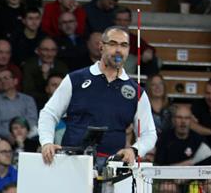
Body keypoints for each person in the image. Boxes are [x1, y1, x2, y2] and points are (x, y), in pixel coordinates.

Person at [39, 26, 155, 164]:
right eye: (113, 44)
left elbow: (149, 134)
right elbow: (49, 113)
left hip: (112, 166)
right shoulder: (75, 79)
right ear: (101, 47)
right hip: (71, 162)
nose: (118, 50)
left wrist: (134, 150)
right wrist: (46, 142)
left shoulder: (137, 93)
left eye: (124, 45)